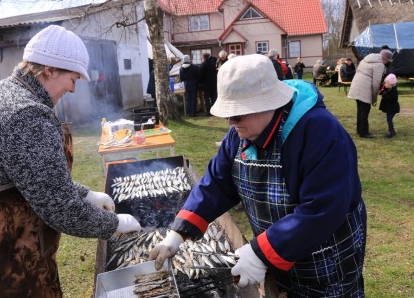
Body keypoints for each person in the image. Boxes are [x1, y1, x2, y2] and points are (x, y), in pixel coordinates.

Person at [0, 25, 141, 298]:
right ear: (49, 69)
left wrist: (86, 194)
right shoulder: (26, 113)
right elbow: (60, 209)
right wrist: (114, 225)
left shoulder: (12, 93)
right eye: (73, 79)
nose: (72, 89)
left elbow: (35, 175)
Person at [150, 54, 366, 297]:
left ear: (267, 103)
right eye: (227, 115)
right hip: (279, 255)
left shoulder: (319, 131)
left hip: (326, 262)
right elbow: (215, 184)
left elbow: (323, 209)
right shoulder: (238, 135)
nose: (231, 122)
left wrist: (260, 252)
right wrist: (178, 233)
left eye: (237, 114)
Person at [348, 49, 393, 138]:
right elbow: (376, 82)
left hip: (356, 85)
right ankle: (364, 132)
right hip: (365, 87)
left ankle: (359, 129)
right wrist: (374, 98)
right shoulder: (380, 65)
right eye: (388, 61)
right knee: (365, 110)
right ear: (385, 59)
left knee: (360, 109)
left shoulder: (367, 58)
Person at [378, 73, 400, 138]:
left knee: (389, 119)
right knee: (389, 119)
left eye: (386, 83)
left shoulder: (394, 90)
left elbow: (391, 98)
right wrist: (383, 90)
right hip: (389, 108)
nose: (385, 84)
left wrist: (384, 95)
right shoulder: (388, 88)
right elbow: (381, 92)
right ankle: (392, 131)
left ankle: (391, 132)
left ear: (390, 84)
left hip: (393, 108)